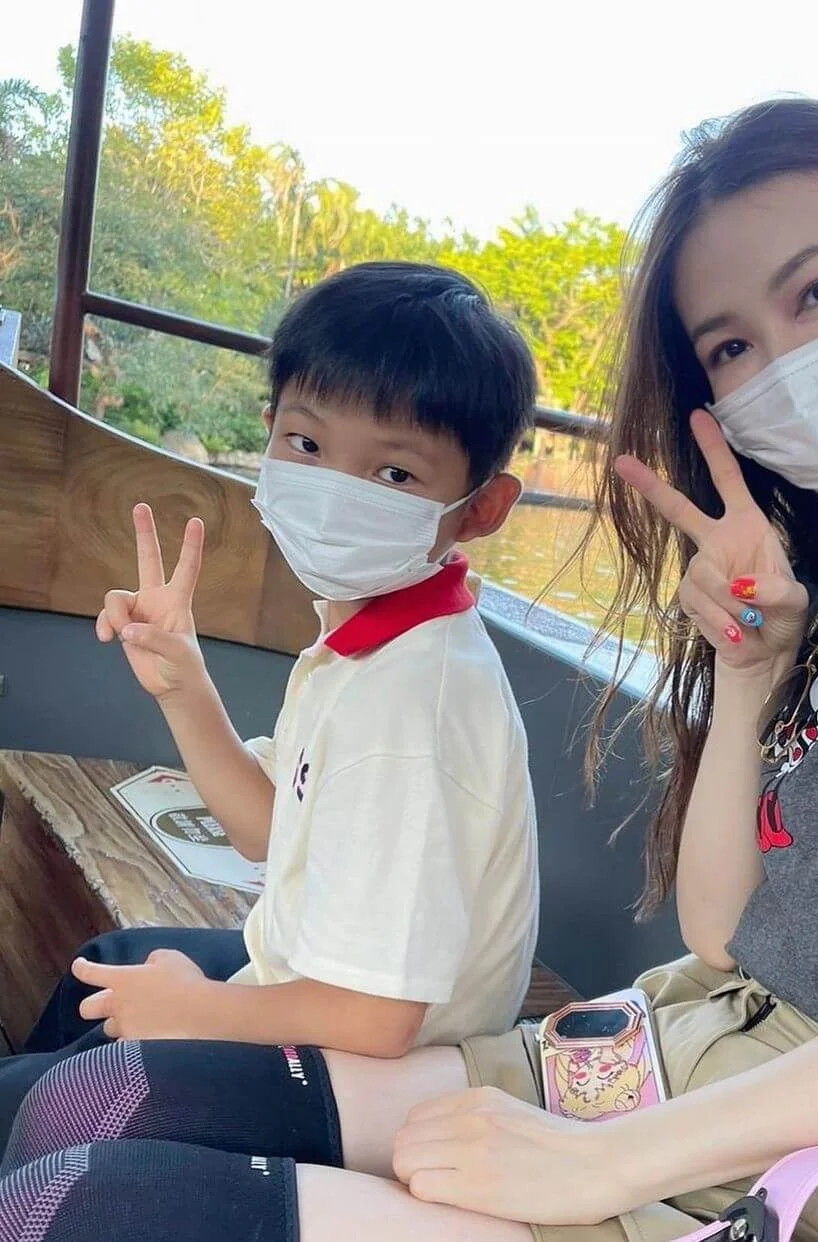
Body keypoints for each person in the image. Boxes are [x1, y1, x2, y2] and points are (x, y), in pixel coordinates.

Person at [2, 96, 818, 1242]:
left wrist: (606, 1164)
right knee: (75, 1104)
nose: (786, 362)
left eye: (817, 291)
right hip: (701, 1044)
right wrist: (752, 674)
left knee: (82, 1205)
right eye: (730, 346)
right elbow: (726, 931)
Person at [11, 261, 541, 1073]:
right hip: (305, 983)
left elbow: (378, 1019)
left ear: (482, 508)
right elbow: (264, 830)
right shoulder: (373, 641)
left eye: (394, 474)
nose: (333, 492)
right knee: (107, 961)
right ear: (270, 434)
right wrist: (184, 686)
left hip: (356, 1074)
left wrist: (195, 1009)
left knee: (53, 1097)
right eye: (307, 444)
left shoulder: (410, 706)